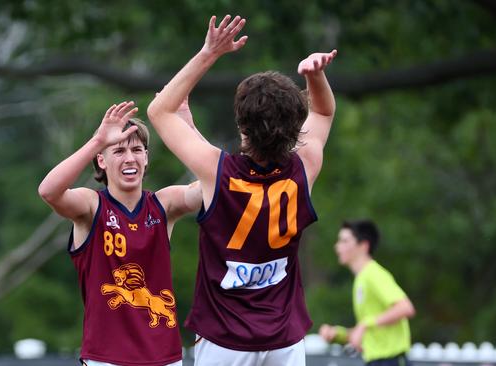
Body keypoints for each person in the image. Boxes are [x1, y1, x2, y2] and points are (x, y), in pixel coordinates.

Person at [147, 14, 337, 366]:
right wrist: (315, 75)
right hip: (285, 340)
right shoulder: (303, 167)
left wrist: (209, 52)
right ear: (296, 128)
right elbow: (324, 113)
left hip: (225, 341)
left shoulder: (216, 171)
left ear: (241, 126)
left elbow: (159, 110)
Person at [38, 99, 202, 366]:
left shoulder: (164, 203)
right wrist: (97, 141)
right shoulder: (91, 206)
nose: (130, 158)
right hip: (107, 358)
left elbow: (217, 184)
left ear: (146, 158)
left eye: (137, 149)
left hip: (164, 357)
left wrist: (188, 128)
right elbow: (48, 191)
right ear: (101, 160)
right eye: (118, 151)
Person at [319, 220, 416, 366]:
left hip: (391, 360)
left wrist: (364, 324)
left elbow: (405, 307)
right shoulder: (361, 279)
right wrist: (337, 334)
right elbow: (368, 330)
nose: (337, 246)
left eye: (344, 241)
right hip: (377, 360)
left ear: (363, 246)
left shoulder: (373, 274)